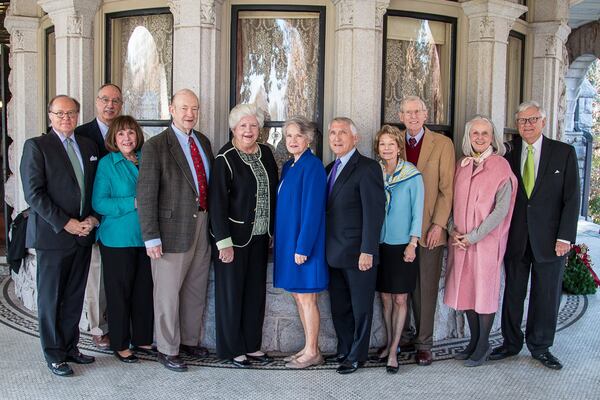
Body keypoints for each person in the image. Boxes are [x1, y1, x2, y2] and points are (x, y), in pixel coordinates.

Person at [490, 101, 580, 370]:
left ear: (543, 121)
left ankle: (541, 347)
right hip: (516, 236)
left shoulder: (563, 152)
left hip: (551, 240)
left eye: (532, 119)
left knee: (546, 294)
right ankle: (510, 343)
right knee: (513, 293)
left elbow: (572, 198)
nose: (527, 124)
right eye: (522, 120)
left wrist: (565, 237)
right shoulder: (508, 152)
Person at [21, 95, 99, 376]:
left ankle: (70, 347)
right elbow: (34, 194)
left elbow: (94, 189)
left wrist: (93, 218)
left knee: (74, 295)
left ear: (78, 115)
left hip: (83, 234)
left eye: (71, 113)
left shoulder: (88, 146)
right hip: (54, 236)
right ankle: (54, 354)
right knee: (51, 298)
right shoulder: (37, 146)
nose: (66, 118)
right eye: (60, 113)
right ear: (50, 116)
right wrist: (66, 223)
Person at [137, 89, 213, 372]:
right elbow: (146, 195)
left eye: (194, 108)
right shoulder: (156, 146)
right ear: (171, 109)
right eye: (184, 108)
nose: (189, 114)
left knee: (196, 287)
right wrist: (151, 236)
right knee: (167, 293)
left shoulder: (203, 141)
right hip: (169, 230)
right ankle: (168, 348)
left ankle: (189, 341)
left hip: (202, 224)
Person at [443, 116, 517, 367]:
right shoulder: (462, 165)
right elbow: (452, 200)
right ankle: (473, 342)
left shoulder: (500, 166)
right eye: (475, 133)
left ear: (492, 137)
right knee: (465, 290)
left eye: (485, 133)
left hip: (485, 243)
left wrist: (474, 236)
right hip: (460, 241)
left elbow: (501, 210)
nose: (480, 138)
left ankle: (483, 343)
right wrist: (452, 228)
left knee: (483, 292)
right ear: (468, 136)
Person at [209, 103, 278, 368]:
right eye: (242, 126)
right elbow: (217, 203)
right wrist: (223, 242)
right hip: (233, 240)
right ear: (233, 129)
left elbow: (272, 193)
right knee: (231, 294)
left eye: (253, 125)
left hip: (261, 237)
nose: (248, 131)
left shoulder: (267, 154)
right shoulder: (225, 158)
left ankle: (252, 345)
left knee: (254, 293)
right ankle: (231, 348)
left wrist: (271, 230)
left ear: (259, 129)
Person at [325, 117, 386, 374]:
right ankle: (344, 348)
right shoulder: (329, 167)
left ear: (355, 138)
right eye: (332, 133)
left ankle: (357, 355)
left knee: (361, 308)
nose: (336, 138)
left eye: (342, 133)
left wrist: (368, 250)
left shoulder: (368, 168)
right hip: (333, 252)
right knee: (339, 307)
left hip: (359, 253)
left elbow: (375, 212)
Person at [92, 115, 154, 363]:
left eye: (130, 132)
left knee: (143, 291)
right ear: (113, 139)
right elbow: (99, 202)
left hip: (146, 238)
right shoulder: (108, 164)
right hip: (117, 240)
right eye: (121, 134)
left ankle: (141, 338)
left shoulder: (146, 159)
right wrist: (133, 202)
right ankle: (119, 342)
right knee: (119, 294)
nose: (127, 138)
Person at [398, 96, 455, 365]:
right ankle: (404, 334)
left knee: (425, 288)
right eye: (407, 112)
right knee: (400, 287)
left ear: (425, 114)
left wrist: (439, 225)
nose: (412, 116)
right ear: (400, 116)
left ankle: (424, 342)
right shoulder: (394, 142)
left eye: (416, 112)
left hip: (429, 229)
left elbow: (447, 190)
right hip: (398, 230)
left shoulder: (442, 144)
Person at [273, 116, 328, 369]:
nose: (293, 141)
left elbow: (312, 210)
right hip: (289, 244)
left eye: (298, 136)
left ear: (308, 138)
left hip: (306, 246)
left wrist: (303, 247)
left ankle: (313, 351)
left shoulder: (313, 166)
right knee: (298, 296)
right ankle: (308, 347)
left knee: (308, 298)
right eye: (288, 136)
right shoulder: (289, 166)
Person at [75, 83, 123, 349]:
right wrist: (89, 217)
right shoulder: (82, 134)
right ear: (96, 102)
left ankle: (120, 323)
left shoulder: (128, 133)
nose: (110, 105)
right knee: (97, 276)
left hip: (121, 219)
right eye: (105, 99)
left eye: (116, 101)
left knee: (117, 275)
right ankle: (98, 327)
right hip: (93, 217)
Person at [373, 125, 424, 374]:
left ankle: (394, 350)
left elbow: (418, 213)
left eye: (391, 144)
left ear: (398, 147)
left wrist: (413, 244)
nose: (386, 148)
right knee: (384, 297)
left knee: (400, 297)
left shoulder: (412, 175)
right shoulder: (375, 172)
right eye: (382, 144)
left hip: (403, 244)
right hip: (380, 243)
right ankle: (388, 342)